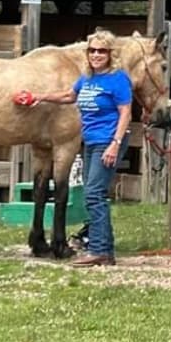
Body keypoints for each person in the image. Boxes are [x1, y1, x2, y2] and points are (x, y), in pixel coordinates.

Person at [23, 29, 133, 267]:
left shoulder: (118, 79)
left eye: (101, 51)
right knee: (93, 194)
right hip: (92, 140)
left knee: (94, 194)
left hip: (108, 140)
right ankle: (104, 248)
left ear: (111, 54)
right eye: (92, 50)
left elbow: (126, 112)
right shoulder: (87, 78)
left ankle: (100, 250)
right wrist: (38, 97)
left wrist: (114, 144)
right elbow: (68, 97)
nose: (96, 55)